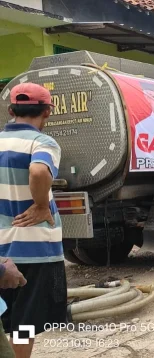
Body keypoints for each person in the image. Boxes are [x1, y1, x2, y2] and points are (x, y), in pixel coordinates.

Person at [0, 83, 67, 358]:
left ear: (10, 110)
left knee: (6, 317)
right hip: (36, 251)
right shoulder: (42, 142)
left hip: (2, 255)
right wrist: (41, 205)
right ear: (47, 113)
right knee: (24, 323)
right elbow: (39, 171)